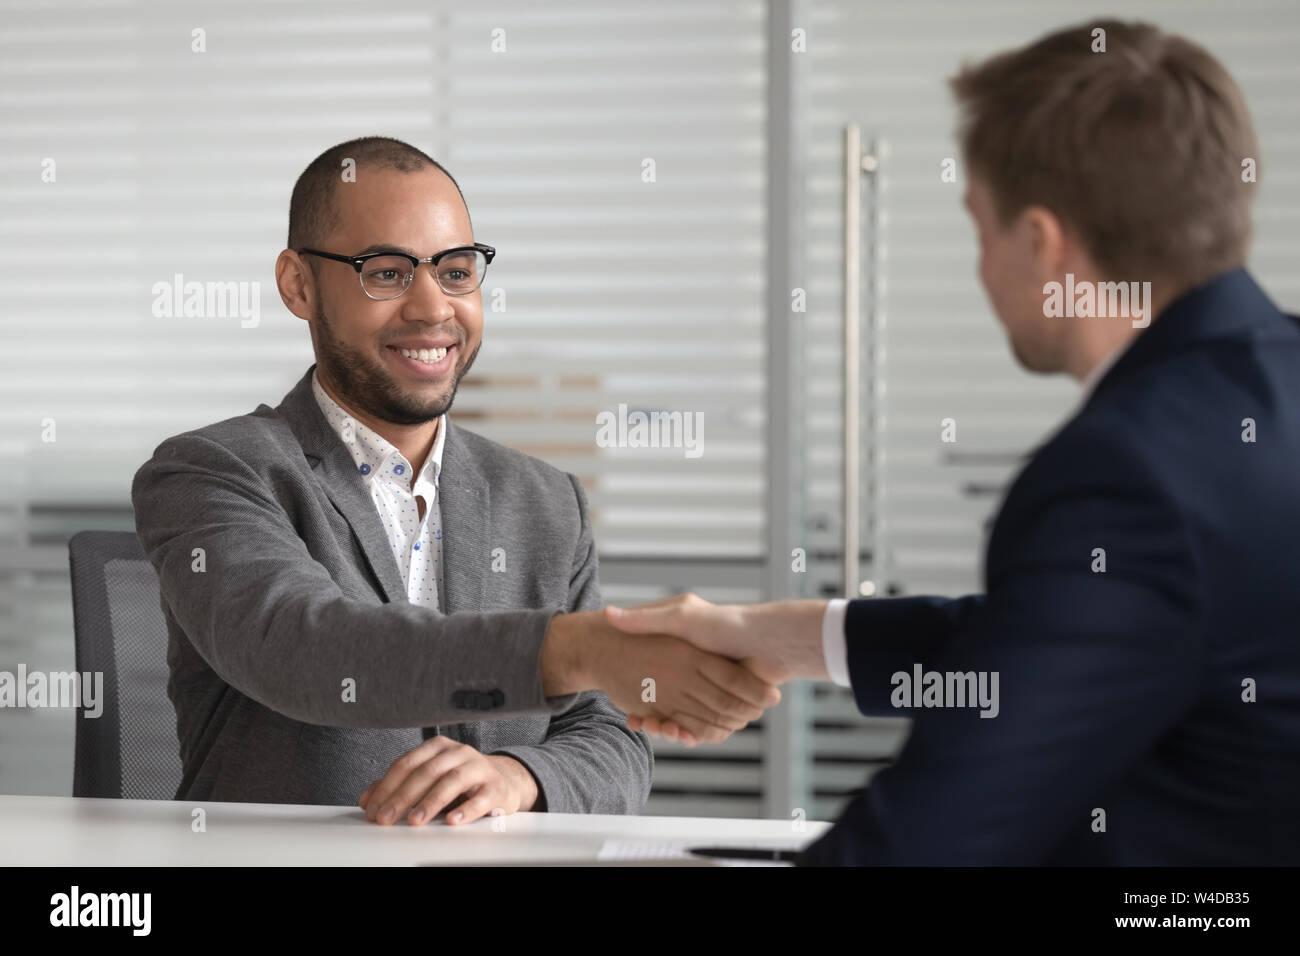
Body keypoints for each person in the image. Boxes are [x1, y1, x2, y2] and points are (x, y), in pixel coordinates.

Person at [604, 20, 1300, 864]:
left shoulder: (1128, 477)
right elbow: (1068, 645)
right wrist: (768, 635)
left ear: (1042, 244)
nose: (980, 269)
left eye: (980, 228)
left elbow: (929, 842)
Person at [131, 136, 778, 827]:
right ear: (299, 285)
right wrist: (581, 648)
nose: (432, 308)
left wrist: (520, 774)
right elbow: (305, 649)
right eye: (386, 272)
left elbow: (610, 737)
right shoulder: (213, 472)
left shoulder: (545, 501)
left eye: (456, 270)